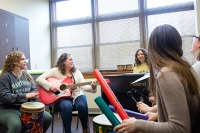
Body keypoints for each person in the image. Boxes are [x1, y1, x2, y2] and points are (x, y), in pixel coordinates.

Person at [113, 24, 200, 133]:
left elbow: (180, 128)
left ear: (153, 48)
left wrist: (138, 125)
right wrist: (157, 114)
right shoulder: (184, 67)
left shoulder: (167, 74)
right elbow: (183, 110)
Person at [36, 53, 97, 133]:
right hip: (61, 98)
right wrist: (51, 86)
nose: (72, 61)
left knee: (82, 105)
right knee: (67, 107)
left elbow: (84, 87)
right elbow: (39, 79)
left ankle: (85, 129)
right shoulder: (55, 71)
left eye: (72, 60)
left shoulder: (77, 72)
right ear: (64, 61)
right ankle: (68, 131)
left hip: (77, 95)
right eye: (70, 59)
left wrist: (93, 87)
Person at [0, 51, 52, 133]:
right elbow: (5, 97)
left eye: (25, 59)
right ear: (14, 61)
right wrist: (25, 96)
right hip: (7, 109)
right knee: (16, 125)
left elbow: (33, 88)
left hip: (25, 107)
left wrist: (34, 94)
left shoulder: (26, 75)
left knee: (47, 118)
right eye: (22, 59)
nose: (25, 61)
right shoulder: (5, 77)